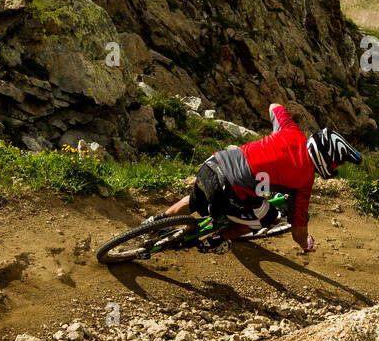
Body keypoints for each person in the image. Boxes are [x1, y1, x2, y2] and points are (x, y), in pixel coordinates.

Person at [152, 103, 360, 253]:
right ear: (326, 158)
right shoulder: (304, 182)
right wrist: (305, 243)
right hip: (230, 190)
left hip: (213, 164)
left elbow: (274, 106)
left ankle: (154, 223)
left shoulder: (291, 130)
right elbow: (298, 231)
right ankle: (216, 239)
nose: (337, 168)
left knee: (194, 199)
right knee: (266, 218)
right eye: (337, 163)